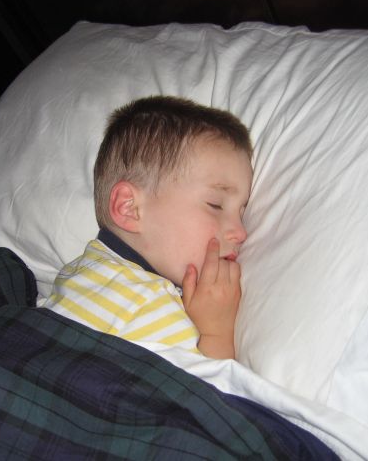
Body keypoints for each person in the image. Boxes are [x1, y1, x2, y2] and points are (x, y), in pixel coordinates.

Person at [42, 95, 253, 359]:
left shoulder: (78, 274)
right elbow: (199, 387)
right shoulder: (153, 303)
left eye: (242, 213)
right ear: (129, 208)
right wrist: (216, 333)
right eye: (216, 205)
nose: (241, 233)